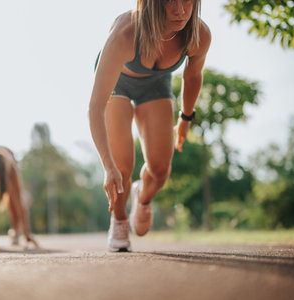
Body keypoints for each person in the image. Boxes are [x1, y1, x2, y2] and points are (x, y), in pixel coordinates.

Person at [89, 0, 211, 251]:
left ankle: (142, 197)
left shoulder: (199, 34)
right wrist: (106, 165)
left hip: (155, 84)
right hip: (118, 84)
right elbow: (95, 106)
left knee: (160, 169)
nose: (179, 11)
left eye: (187, 0)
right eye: (169, 2)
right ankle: (120, 219)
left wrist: (185, 118)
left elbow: (192, 76)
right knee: (122, 167)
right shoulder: (126, 33)